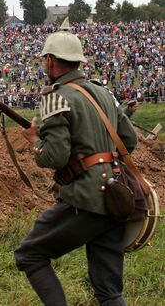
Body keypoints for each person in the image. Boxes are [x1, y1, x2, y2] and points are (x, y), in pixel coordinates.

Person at [15, 19, 137, 305]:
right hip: (118, 193)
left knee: (29, 254)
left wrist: (34, 142)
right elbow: (129, 141)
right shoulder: (104, 92)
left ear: (50, 61)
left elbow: (54, 156)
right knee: (109, 291)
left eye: (45, 60)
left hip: (85, 197)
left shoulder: (56, 98)